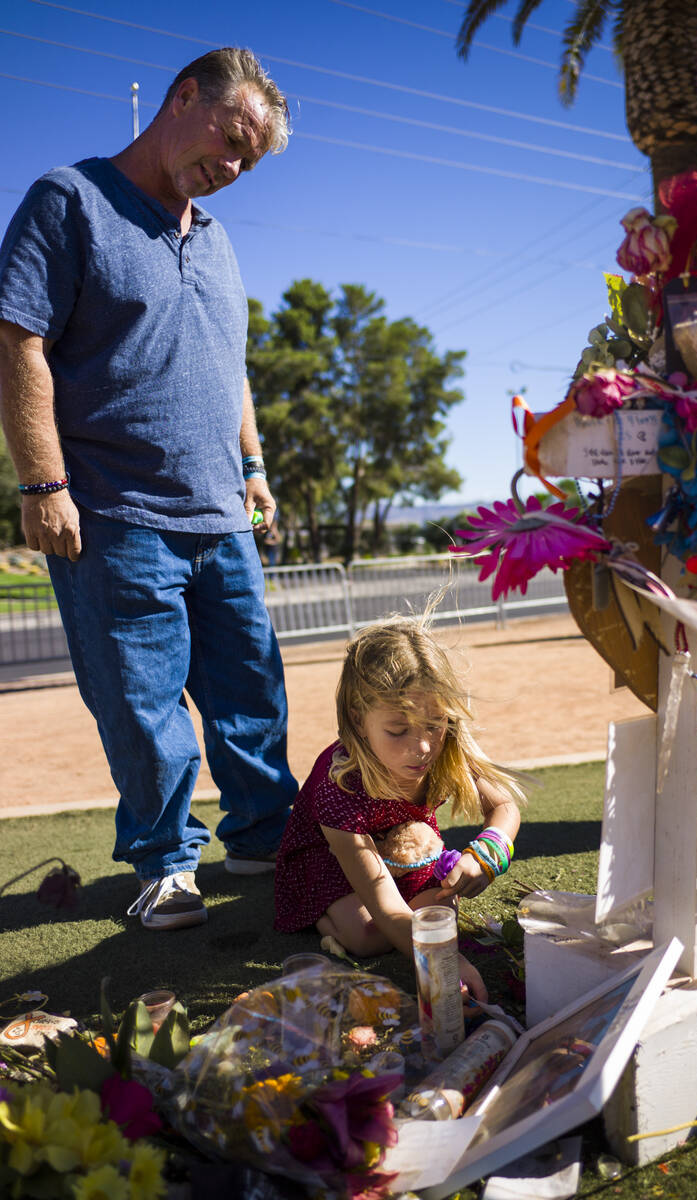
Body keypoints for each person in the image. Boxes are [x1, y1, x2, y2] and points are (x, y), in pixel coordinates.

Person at [0, 48, 298, 931]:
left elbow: (229, 366)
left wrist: (253, 467)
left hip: (222, 510)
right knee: (142, 702)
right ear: (182, 98)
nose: (235, 168)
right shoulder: (70, 200)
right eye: (231, 140)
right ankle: (167, 864)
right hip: (115, 512)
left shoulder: (216, 239)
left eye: (251, 161)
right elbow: (18, 343)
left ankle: (262, 835)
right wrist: (40, 480)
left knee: (253, 691)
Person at [274, 617, 523, 1001]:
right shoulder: (338, 782)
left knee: (439, 917)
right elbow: (387, 908)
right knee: (368, 936)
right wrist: (445, 962)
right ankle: (323, 916)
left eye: (434, 725)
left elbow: (504, 805)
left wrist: (487, 854)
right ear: (358, 719)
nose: (422, 747)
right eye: (398, 730)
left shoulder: (447, 746)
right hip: (333, 858)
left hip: (403, 850)